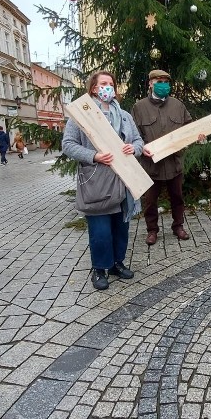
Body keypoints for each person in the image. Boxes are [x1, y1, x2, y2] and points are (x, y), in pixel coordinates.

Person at [62, 70, 143, 290]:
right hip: (98, 181)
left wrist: (132, 148)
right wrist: (94, 156)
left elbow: (138, 142)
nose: (108, 87)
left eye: (111, 84)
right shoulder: (81, 115)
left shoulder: (124, 116)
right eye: (103, 83)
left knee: (121, 228)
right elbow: (68, 145)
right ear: (94, 88)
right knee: (100, 231)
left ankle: (117, 263)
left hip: (124, 180)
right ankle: (99, 269)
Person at [133, 69, 204, 245]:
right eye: (159, 81)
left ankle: (178, 226)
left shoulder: (178, 105)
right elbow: (133, 135)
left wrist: (198, 135)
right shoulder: (139, 107)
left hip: (174, 162)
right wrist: (142, 149)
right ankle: (152, 230)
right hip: (151, 164)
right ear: (150, 83)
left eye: (166, 81)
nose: (163, 84)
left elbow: (189, 127)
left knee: (177, 197)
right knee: (150, 201)